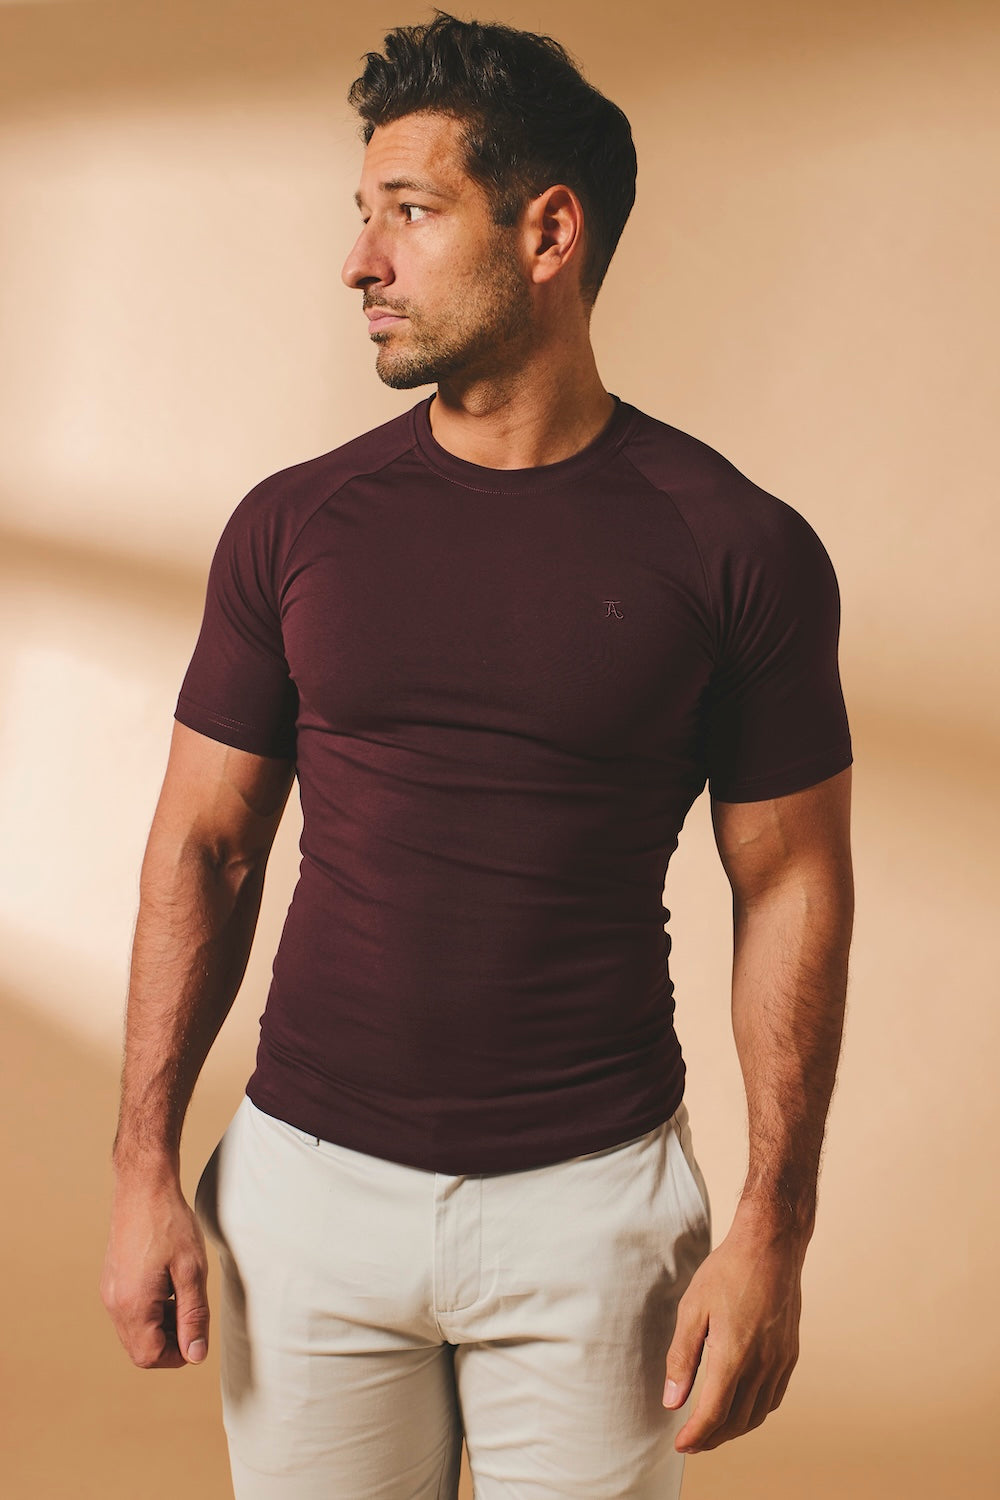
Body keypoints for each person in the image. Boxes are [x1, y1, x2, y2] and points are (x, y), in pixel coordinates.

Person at [99, 12, 854, 1499]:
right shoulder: (294, 526)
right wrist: (141, 1169)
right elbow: (206, 844)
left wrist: (775, 1227)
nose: (359, 261)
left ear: (547, 232)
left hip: (595, 1216)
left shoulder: (738, 546)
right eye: (361, 212)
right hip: (306, 1197)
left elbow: (793, 883)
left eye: (410, 211)